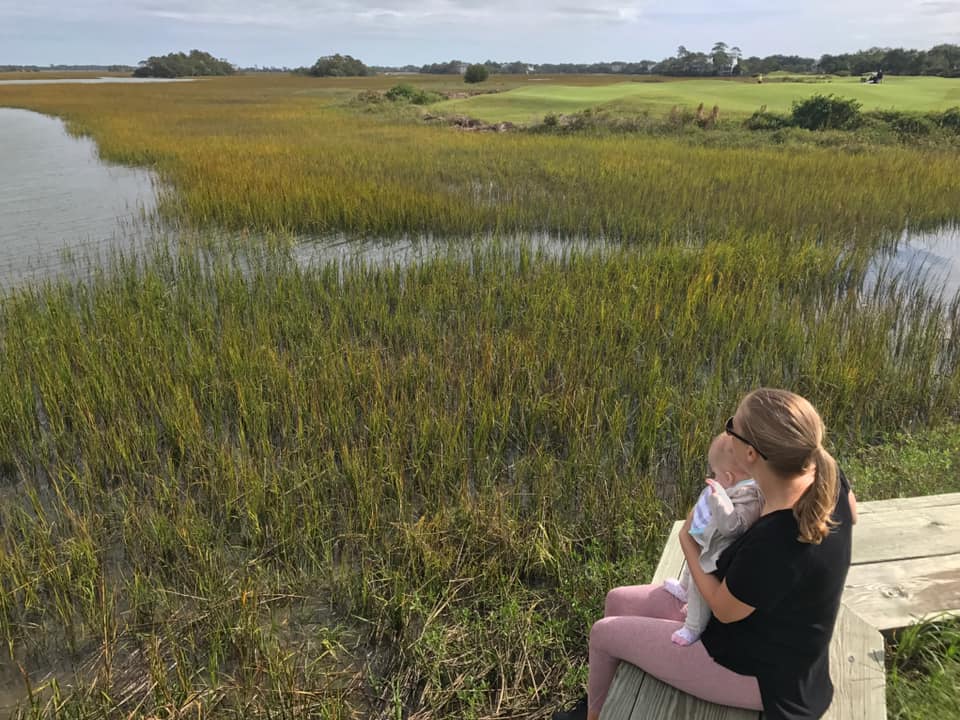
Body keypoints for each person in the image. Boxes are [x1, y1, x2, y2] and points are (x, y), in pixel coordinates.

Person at [553, 388, 858, 720]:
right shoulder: (825, 475)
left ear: (752, 453)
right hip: (774, 636)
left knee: (603, 633)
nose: (727, 433)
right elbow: (851, 515)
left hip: (761, 674)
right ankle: (600, 696)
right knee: (617, 599)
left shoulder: (775, 541)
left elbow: (724, 610)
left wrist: (688, 543)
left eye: (732, 427)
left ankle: (594, 715)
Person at [663, 433, 763, 646]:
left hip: (719, 555)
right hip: (710, 541)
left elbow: (733, 528)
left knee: (700, 581)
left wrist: (718, 500)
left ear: (728, 477)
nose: (713, 478)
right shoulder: (736, 486)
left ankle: (693, 627)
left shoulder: (749, 497)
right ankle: (683, 587)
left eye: (715, 474)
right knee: (692, 560)